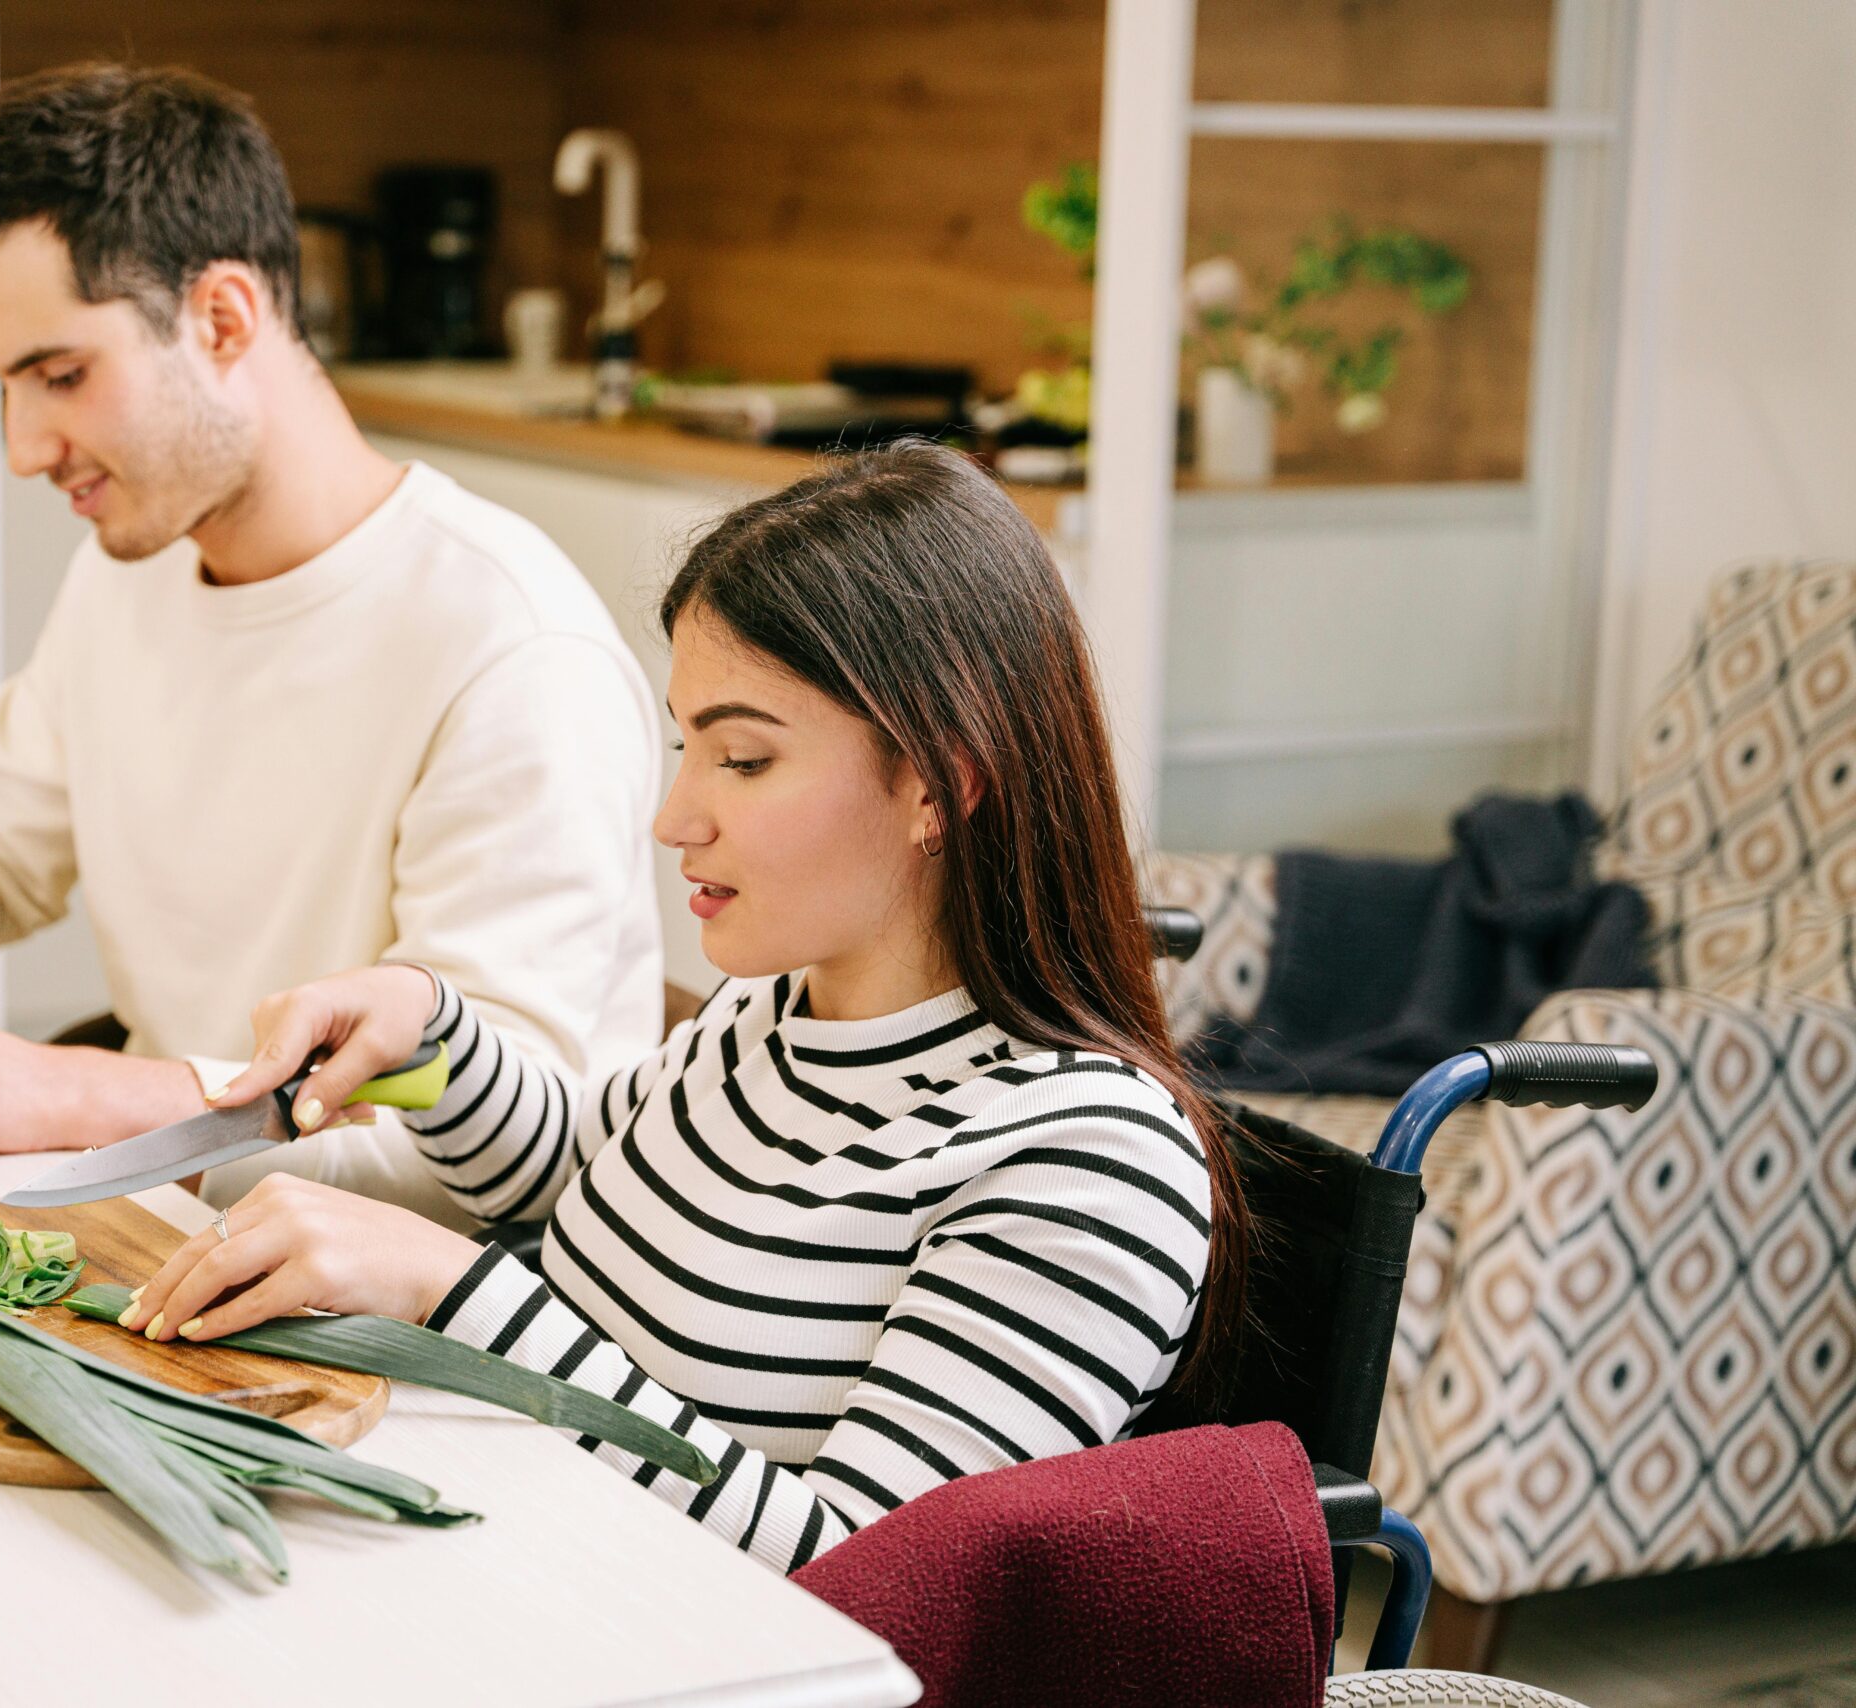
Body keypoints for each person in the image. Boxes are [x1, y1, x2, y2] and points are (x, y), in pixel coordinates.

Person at [120, 443, 1249, 1572]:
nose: (674, 818)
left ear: (938, 783)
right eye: (684, 745)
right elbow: (572, 1165)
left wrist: (449, 1287)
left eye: (744, 759)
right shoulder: (772, 1013)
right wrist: (430, 1038)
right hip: (507, 1557)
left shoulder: (1087, 1160)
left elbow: (864, 1572)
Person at [0, 66, 663, 1226]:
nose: (25, 448)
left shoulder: (516, 653)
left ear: (223, 319)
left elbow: (472, 1155)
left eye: (61, 375)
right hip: (166, 1236)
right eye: (4, 388)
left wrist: (59, 1089)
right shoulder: (133, 568)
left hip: (409, 1318)